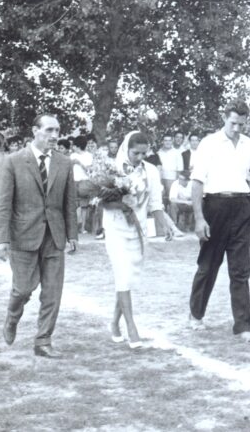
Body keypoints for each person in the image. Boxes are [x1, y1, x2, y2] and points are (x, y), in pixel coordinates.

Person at [0, 114, 78, 359]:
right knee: (22, 289)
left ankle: (43, 341)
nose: (54, 136)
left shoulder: (64, 163)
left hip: (55, 236)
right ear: (35, 130)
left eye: (58, 131)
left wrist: (72, 234)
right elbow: (2, 203)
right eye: (49, 130)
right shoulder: (13, 161)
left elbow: (69, 203)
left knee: (52, 292)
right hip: (23, 235)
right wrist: (1, 240)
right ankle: (12, 317)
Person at [187, 99, 250, 344]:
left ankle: (243, 327)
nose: (237, 129)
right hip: (215, 207)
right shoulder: (209, 144)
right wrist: (199, 218)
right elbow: (198, 182)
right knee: (209, 265)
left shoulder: (249, 144)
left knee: (241, 269)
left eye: (241, 124)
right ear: (224, 118)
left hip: (242, 207)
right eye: (233, 123)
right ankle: (196, 314)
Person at [104, 131, 169, 348]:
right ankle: (132, 327)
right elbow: (102, 202)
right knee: (122, 275)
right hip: (115, 229)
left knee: (129, 278)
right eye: (135, 153)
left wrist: (165, 225)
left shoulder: (151, 171)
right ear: (126, 148)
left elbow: (156, 204)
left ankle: (114, 322)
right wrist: (122, 204)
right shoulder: (112, 169)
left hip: (139, 230)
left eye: (144, 153)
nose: (140, 157)